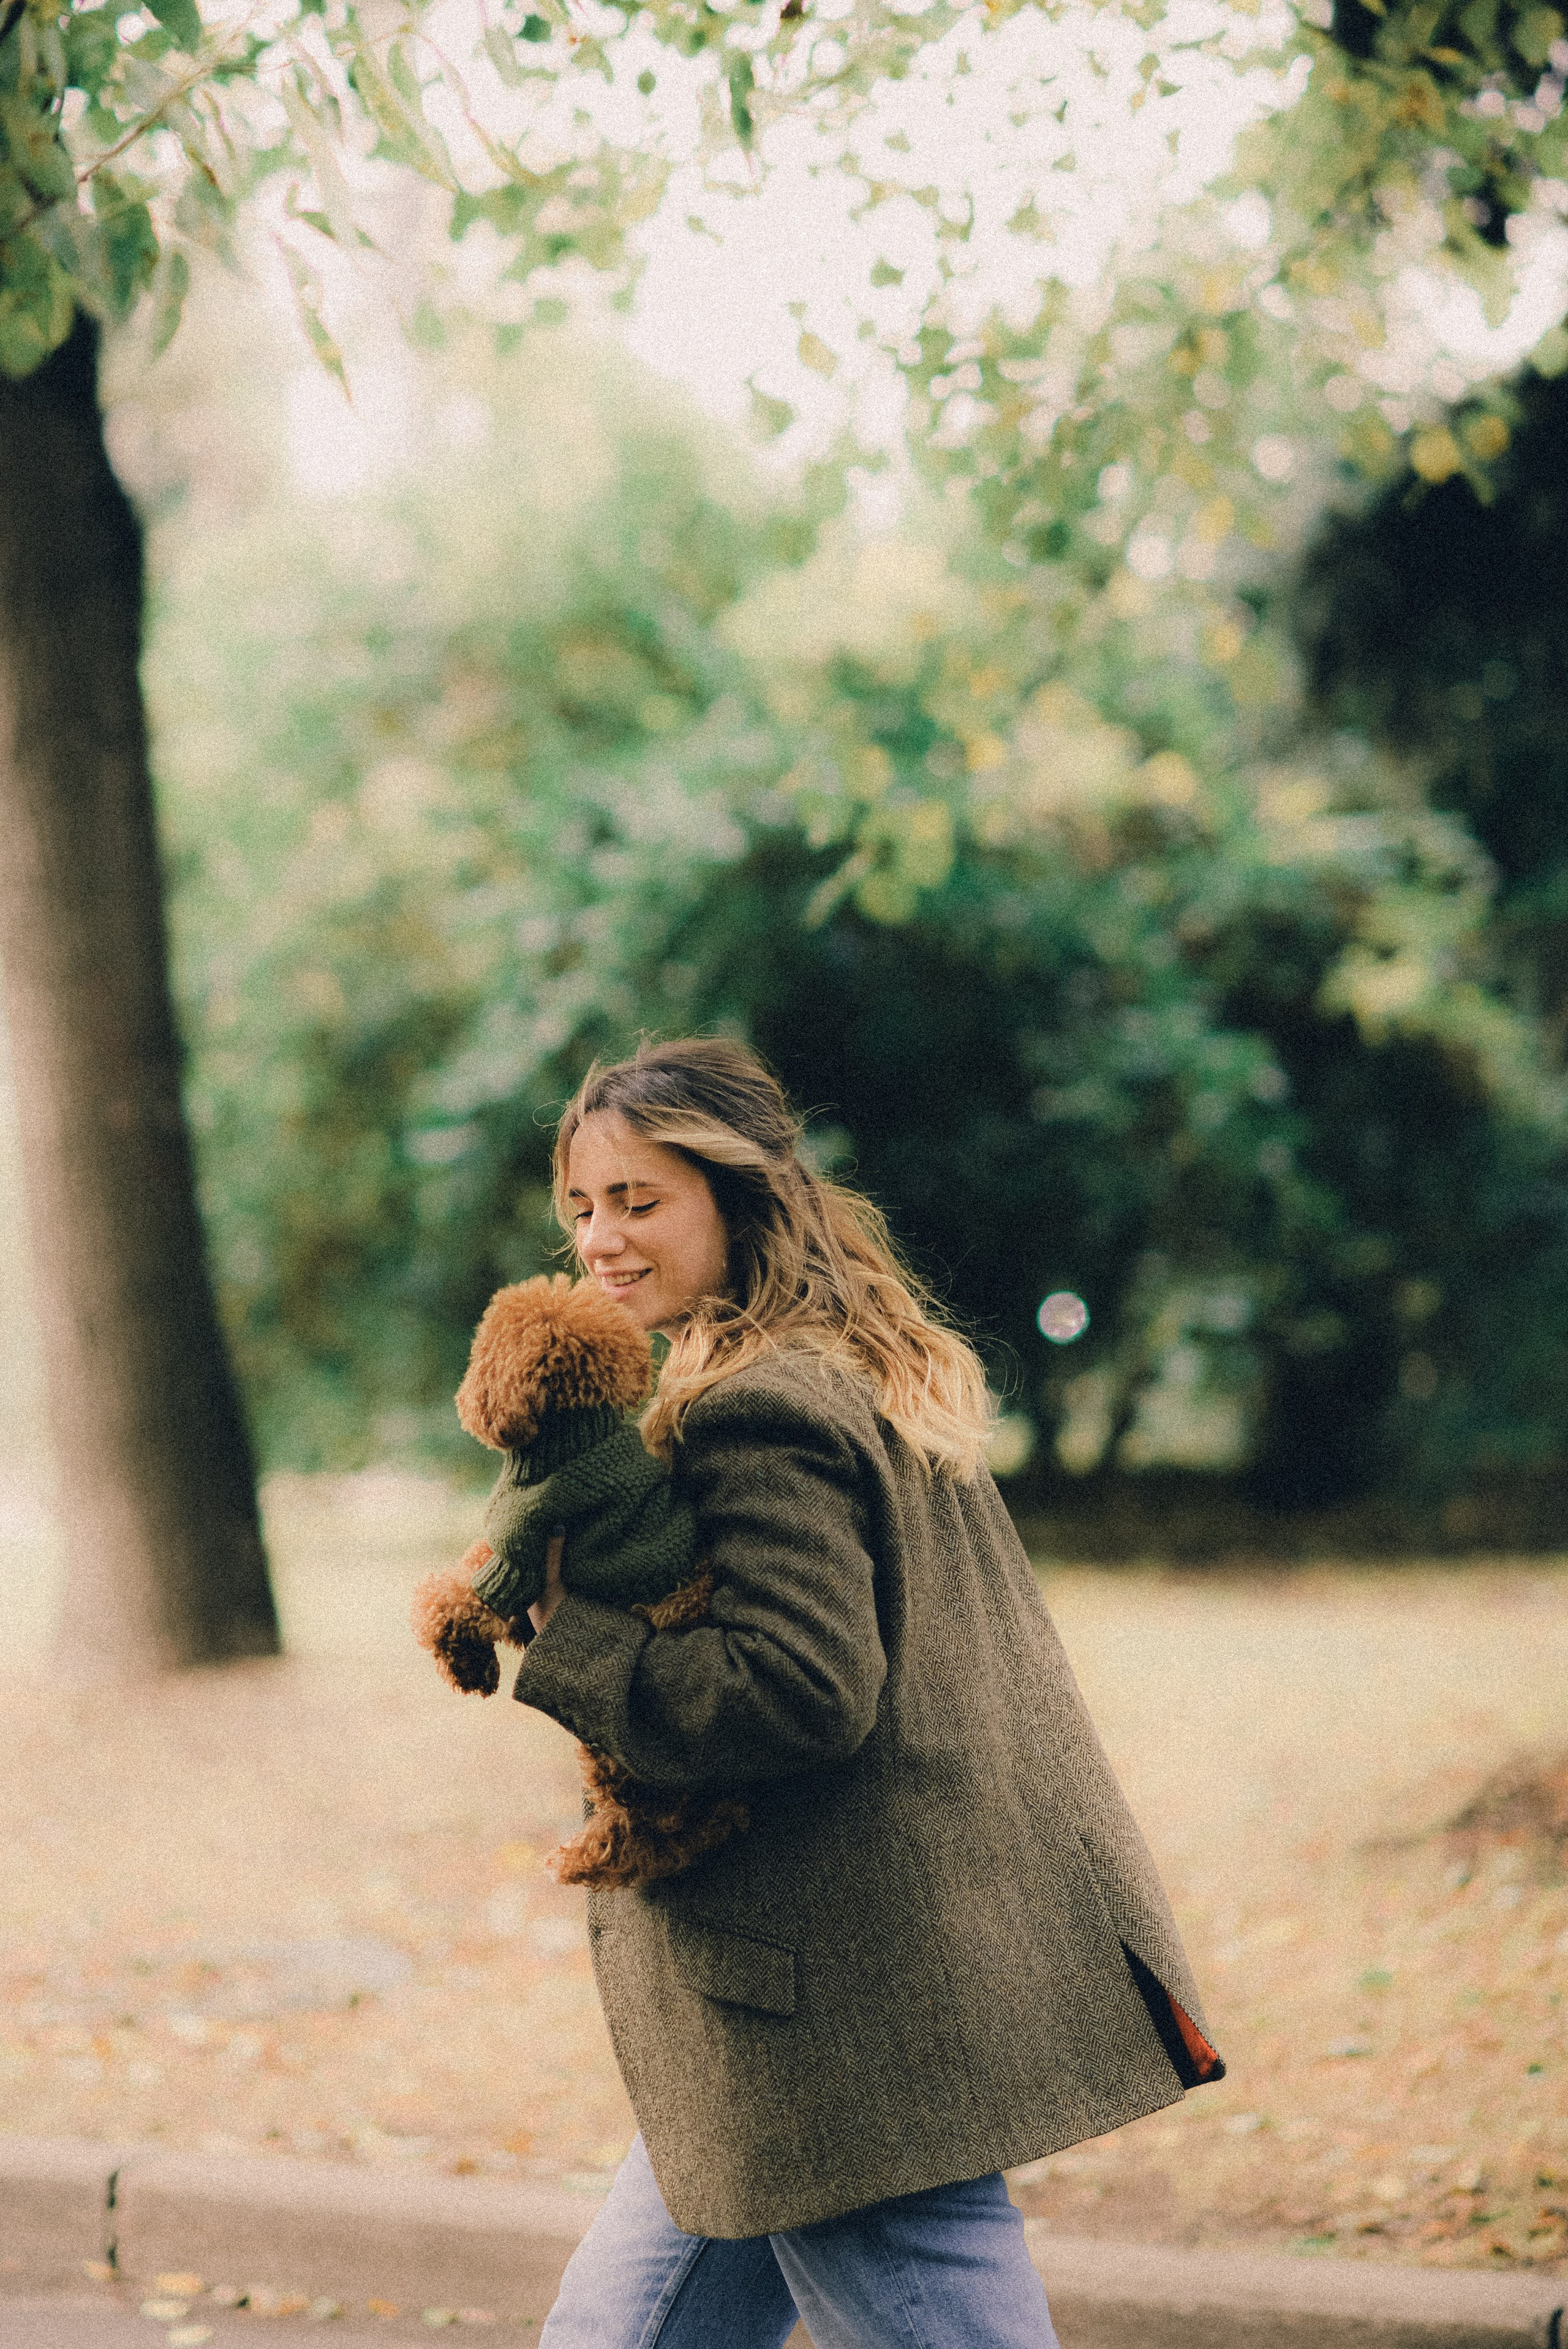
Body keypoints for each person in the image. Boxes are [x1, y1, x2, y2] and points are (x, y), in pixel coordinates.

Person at [514, 1037, 1224, 2349]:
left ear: (737, 1196)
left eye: (638, 1200)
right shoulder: (849, 1364)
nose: (599, 1240)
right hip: (804, 1996)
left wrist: (574, 1643)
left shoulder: (754, 1410)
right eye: (582, 1206)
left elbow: (799, 1689)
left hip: (835, 2017)